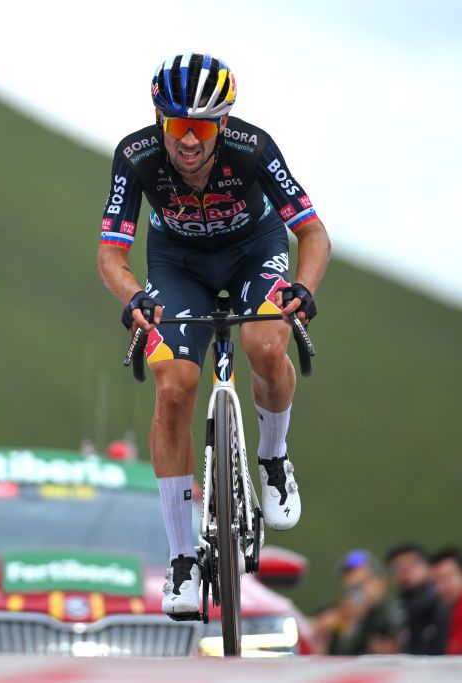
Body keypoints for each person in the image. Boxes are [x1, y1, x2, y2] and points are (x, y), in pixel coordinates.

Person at [96, 52, 331, 615]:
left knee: (265, 345)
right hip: (178, 264)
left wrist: (302, 288)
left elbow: (314, 233)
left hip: (254, 250)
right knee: (172, 386)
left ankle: (273, 457)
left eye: (203, 126)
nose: (190, 141)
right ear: (161, 121)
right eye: (178, 126)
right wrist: (135, 299)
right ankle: (181, 557)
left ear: (223, 123)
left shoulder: (253, 148)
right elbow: (111, 254)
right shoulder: (136, 156)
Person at [327, 550, 403, 655]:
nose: (356, 595)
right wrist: (342, 625)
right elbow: (340, 658)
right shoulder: (354, 623)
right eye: (351, 589)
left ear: (381, 583)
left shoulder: (397, 612)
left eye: (360, 586)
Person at [386, 543, 450, 654]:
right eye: (397, 567)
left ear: (429, 568)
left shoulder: (441, 602)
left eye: (411, 564)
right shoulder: (400, 609)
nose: (404, 572)